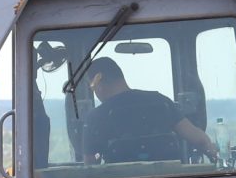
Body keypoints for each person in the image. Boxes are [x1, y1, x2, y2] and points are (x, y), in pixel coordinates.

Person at [77, 55, 220, 165]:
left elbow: (90, 166)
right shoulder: (161, 102)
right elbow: (200, 140)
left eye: (93, 88)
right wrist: (218, 161)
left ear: (99, 83)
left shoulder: (95, 117)